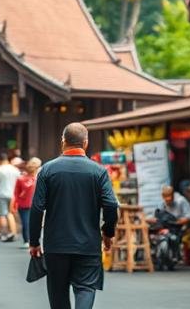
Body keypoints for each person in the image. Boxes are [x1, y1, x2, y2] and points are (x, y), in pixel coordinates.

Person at [29, 123, 117, 309]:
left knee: (58, 292)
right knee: (85, 288)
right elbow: (110, 204)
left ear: (63, 141)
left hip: (56, 244)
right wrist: (107, 232)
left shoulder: (47, 170)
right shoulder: (99, 171)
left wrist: (34, 241)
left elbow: (36, 208)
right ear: (85, 143)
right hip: (88, 244)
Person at [0, 151, 21, 242]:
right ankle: (11, 232)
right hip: (12, 194)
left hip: (0, 194)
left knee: (2, 214)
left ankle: (6, 233)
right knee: (10, 213)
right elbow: (19, 182)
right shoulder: (15, 169)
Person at [12, 157, 41, 250]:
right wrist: (15, 203)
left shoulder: (39, 178)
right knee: (26, 223)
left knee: (35, 223)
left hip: (37, 204)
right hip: (24, 204)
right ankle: (26, 240)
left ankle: (34, 240)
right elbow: (16, 193)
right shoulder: (21, 179)